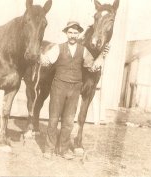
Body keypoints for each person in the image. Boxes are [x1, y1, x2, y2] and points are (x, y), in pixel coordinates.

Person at [40, 21, 108, 160]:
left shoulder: (84, 50)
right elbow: (46, 61)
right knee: (53, 119)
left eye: (76, 33)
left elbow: (92, 67)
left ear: (78, 34)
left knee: (68, 121)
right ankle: (49, 149)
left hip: (75, 89)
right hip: (59, 87)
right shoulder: (58, 48)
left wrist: (102, 56)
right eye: (70, 32)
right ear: (66, 33)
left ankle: (63, 150)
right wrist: (40, 56)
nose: (73, 35)